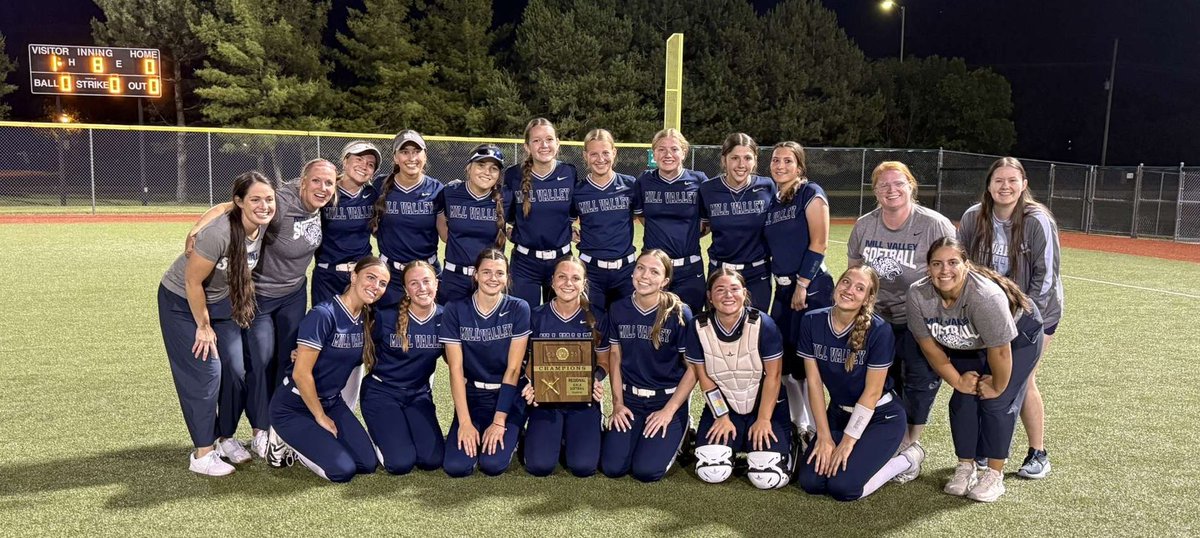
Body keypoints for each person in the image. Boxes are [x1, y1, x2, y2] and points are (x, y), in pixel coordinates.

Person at [186, 159, 337, 461]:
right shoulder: (280, 200)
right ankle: (259, 430)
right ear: (302, 181)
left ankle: (279, 426)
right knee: (260, 361)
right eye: (317, 181)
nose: (323, 188)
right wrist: (195, 231)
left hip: (294, 293)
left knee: (286, 361)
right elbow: (228, 208)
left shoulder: (327, 203)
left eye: (329, 183)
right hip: (261, 296)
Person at [907, 237, 1043, 503]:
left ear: (966, 265)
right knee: (964, 397)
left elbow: (1001, 351)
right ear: (928, 269)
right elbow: (929, 347)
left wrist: (998, 386)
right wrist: (957, 380)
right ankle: (966, 467)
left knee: (996, 401)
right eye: (937, 264)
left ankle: (994, 474)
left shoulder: (984, 296)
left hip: (1016, 339)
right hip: (972, 340)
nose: (944, 270)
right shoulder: (917, 294)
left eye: (952, 262)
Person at [846, 161, 956, 482]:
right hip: (878, 318)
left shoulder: (934, 225)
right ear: (875, 191)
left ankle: (911, 444)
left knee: (920, 380)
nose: (891, 190)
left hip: (920, 318)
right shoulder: (866, 225)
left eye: (898, 184)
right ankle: (887, 437)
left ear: (911, 185)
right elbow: (856, 271)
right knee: (881, 380)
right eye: (883, 185)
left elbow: (954, 272)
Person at [159, 172, 274, 476]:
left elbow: (222, 205)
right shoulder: (219, 234)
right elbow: (192, 281)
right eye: (255, 199)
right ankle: (202, 453)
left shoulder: (261, 223)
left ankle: (224, 438)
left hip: (222, 301)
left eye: (268, 199)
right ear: (240, 202)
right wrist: (203, 326)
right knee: (207, 370)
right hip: (182, 302)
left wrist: (197, 223)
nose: (264, 205)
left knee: (236, 371)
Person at [958, 156, 1063, 479]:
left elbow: (1045, 279)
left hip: (1034, 316)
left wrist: (1019, 323)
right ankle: (978, 452)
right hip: (988, 317)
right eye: (998, 181)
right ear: (989, 185)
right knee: (985, 377)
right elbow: (961, 266)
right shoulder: (974, 217)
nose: (1005, 186)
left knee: (1020, 381)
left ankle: (1038, 452)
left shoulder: (1036, 219)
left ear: (1024, 184)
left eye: (1012, 180)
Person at [796, 266, 921, 501]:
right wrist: (823, 436)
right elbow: (814, 383)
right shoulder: (812, 321)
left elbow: (872, 393)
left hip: (880, 417)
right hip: (838, 414)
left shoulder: (879, 330)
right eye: (845, 282)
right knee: (811, 482)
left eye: (859, 288)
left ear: (868, 298)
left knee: (843, 488)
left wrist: (847, 441)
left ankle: (906, 460)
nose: (849, 290)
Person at [269, 256, 387, 483]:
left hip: (331, 402)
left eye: (382, 283)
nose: (375, 286)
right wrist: (320, 416)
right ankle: (287, 442)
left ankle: (313, 438)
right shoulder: (323, 314)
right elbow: (300, 374)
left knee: (367, 463)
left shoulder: (365, 319)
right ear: (354, 277)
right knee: (342, 471)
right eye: (370, 278)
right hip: (294, 406)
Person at [685, 268, 792, 490]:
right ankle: (737, 440)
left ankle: (787, 443)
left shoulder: (764, 324)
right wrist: (722, 416)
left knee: (767, 477)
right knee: (711, 470)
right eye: (720, 290)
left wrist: (763, 419)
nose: (728, 295)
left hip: (765, 407)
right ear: (710, 297)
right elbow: (703, 377)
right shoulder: (697, 326)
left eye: (734, 289)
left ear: (744, 293)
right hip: (725, 406)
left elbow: (773, 376)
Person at [600, 249, 695, 482]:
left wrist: (668, 411)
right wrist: (618, 405)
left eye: (654, 271)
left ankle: (682, 432)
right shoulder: (619, 308)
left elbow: (693, 369)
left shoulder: (679, 313)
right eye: (640, 268)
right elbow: (615, 357)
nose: (644, 275)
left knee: (646, 471)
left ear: (664, 281)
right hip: (630, 399)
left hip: (665, 400)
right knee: (613, 468)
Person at [762, 141, 833, 444]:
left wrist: (803, 284)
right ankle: (799, 422)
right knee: (787, 361)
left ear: (800, 167)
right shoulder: (774, 200)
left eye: (787, 161)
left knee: (812, 361)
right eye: (776, 160)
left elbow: (819, 242)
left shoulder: (810, 193)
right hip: (784, 288)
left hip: (811, 287)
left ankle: (821, 427)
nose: (780, 165)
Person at [439, 248, 532, 477]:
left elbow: (513, 369)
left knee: (492, 465)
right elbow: (456, 369)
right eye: (486, 272)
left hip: (508, 396)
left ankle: (515, 432)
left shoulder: (519, 308)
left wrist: (500, 421)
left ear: (507, 277)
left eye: (499, 273)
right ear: (476, 275)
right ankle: (474, 426)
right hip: (473, 394)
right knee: (456, 467)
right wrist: (464, 422)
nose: (493, 278)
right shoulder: (456, 309)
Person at [522, 256, 609, 477]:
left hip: (582, 399)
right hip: (547, 399)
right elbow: (527, 361)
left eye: (575, 278)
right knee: (539, 466)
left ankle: (574, 433)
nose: (568, 283)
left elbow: (604, 361)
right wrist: (531, 382)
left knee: (583, 467)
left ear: (584, 283)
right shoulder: (535, 315)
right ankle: (549, 436)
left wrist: (595, 380)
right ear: (552, 282)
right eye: (562, 277)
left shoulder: (597, 316)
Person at [361, 260, 445, 475]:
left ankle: (398, 432)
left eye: (427, 281)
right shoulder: (386, 316)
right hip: (382, 392)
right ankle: (378, 433)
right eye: (414, 283)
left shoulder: (445, 319)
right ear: (406, 290)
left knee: (431, 460)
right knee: (400, 464)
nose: (422, 288)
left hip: (418, 396)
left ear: (437, 284)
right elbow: (358, 347)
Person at [632, 128, 709, 314]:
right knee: (653, 325)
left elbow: (707, 223)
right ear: (654, 153)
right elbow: (643, 217)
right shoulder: (644, 180)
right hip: (654, 270)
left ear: (684, 152)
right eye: (661, 149)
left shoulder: (699, 181)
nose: (668, 155)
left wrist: (686, 236)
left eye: (674, 149)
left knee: (691, 324)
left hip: (689, 269)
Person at [504, 118, 578, 307]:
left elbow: (573, 212)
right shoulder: (514, 175)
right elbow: (509, 215)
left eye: (549, 139)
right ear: (527, 146)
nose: (544, 145)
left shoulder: (569, 172)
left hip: (561, 260)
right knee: (523, 318)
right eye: (536, 140)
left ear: (558, 143)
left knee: (559, 320)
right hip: (525, 263)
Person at [699, 133, 775, 311]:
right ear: (724, 160)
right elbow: (703, 227)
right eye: (735, 158)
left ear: (755, 160)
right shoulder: (708, 189)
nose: (741, 165)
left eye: (747, 158)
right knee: (716, 329)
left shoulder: (768, 186)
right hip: (720, 272)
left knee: (755, 327)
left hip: (757, 273)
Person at [373, 129, 445, 307]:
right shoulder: (380, 185)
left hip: (427, 274)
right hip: (391, 274)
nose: (411, 157)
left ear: (425, 156)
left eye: (416, 151)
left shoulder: (437, 189)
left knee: (430, 330)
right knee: (388, 329)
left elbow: (446, 233)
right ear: (396, 158)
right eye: (405, 152)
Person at [571, 129, 637, 312]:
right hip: (591, 271)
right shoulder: (578, 190)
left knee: (625, 326)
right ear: (585, 156)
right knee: (594, 329)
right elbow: (563, 219)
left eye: (606, 152)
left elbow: (647, 218)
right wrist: (570, 231)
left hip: (626, 270)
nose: (600, 159)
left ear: (614, 153)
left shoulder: (630, 184)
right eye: (594, 154)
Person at [436, 144, 510, 304]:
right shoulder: (450, 192)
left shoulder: (506, 198)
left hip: (490, 280)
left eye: (494, 168)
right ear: (468, 168)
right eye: (481, 165)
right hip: (454, 278)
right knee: (449, 326)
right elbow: (442, 225)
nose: (487, 172)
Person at [312, 140, 382, 306]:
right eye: (358, 159)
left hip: (361, 275)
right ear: (345, 160)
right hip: (327, 275)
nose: (364, 166)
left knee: (361, 329)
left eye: (370, 164)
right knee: (325, 326)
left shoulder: (373, 194)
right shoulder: (325, 191)